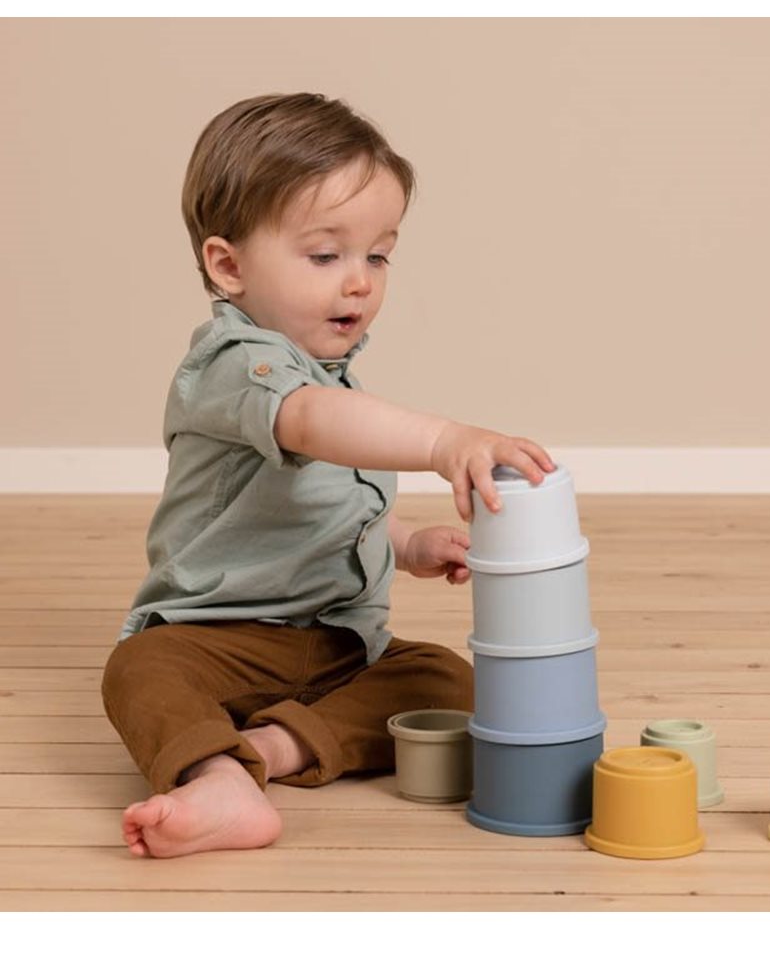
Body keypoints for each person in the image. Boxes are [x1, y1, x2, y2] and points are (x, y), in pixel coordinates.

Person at [101, 92, 555, 858]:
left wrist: (405, 545)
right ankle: (211, 773)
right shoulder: (236, 368)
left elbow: (328, 502)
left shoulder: (329, 374)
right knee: (139, 671)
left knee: (449, 683)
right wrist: (444, 440)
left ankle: (265, 754)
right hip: (216, 639)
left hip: (341, 644)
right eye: (325, 255)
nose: (360, 281)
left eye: (377, 255)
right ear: (229, 265)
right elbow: (310, 425)